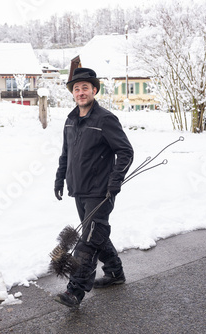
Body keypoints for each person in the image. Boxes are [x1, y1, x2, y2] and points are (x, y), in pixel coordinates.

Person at [53, 67, 134, 307]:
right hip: (79, 189)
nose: (80, 92)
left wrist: (115, 180)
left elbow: (126, 151)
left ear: (94, 90)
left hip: (101, 191)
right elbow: (65, 154)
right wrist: (59, 178)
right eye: (76, 89)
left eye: (85, 88)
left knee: (87, 240)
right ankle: (115, 273)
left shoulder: (105, 119)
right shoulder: (70, 120)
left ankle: (75, 291)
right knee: (96, 234)